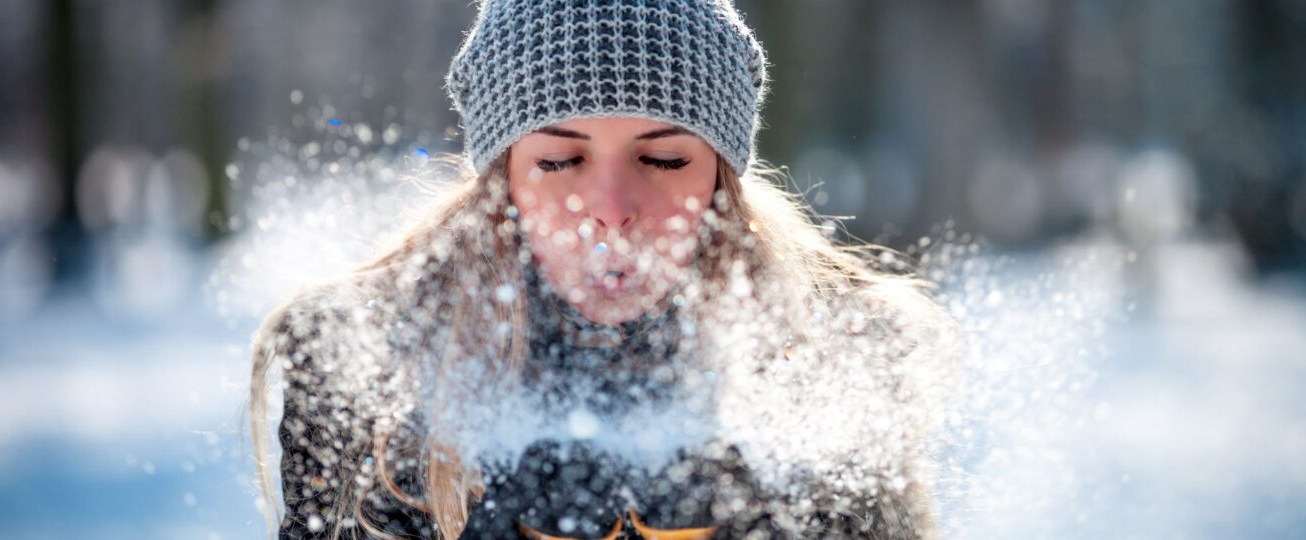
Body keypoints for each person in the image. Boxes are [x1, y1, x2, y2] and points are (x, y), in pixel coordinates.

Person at [248, 1, 960, 538]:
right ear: (504, 181)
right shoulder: (361, 362)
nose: (612, 210)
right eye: (560, 161)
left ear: (721, 176)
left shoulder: (842, 356)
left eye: (664, 159)